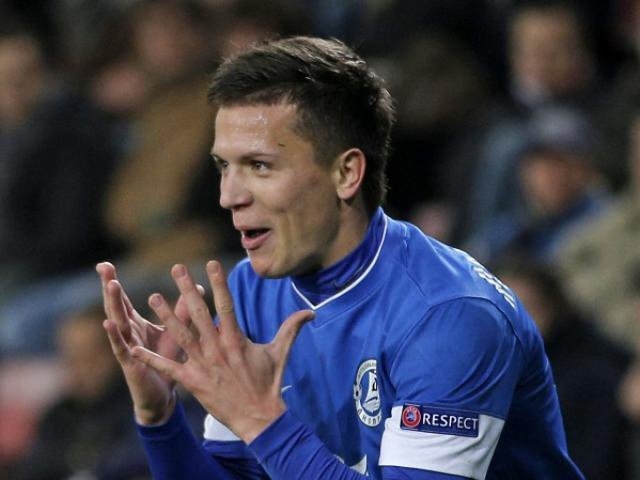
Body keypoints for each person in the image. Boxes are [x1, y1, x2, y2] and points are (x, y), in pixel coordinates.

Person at [97, 36, 584, 479]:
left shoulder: (448, 315)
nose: (228, 196)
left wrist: (263, 422)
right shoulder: (250, 291)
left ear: (346, 173)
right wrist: (159, 419)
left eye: (260, 166)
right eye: (225, 166)